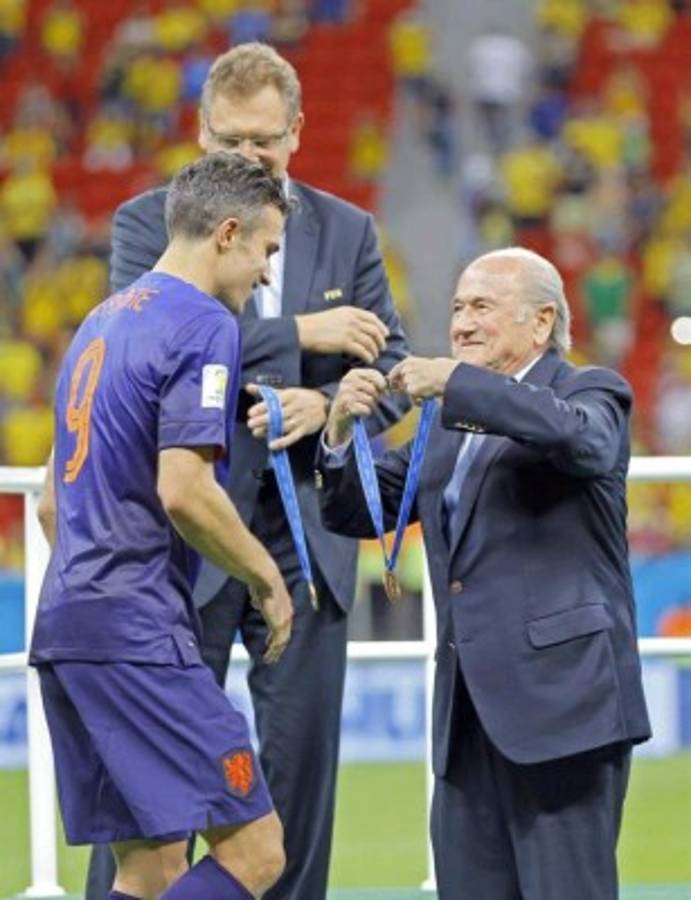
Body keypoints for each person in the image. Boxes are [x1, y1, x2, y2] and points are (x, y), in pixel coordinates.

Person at [89, 42, 409, 900]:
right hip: (187, 538)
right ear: (199, 133)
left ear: (297, 134)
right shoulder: (145, 222)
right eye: (226, 140)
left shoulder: (349, 230)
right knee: (148, 797)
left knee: (300, 794)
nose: (244, 158)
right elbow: (152, 344)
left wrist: (330, 406)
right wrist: (303, 337)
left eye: (262, 142)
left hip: (309, 545)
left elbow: (394, 366)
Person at [317, 247, 652, 900]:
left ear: (540, 320)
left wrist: (453, 383)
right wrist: (338, 433)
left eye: (481, 307)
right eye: (455, 309)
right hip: (466, 719)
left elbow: (580, 442)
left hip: (563, 711)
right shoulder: (447, 422)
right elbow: (362, 506)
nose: (462, 323)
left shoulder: (588, 390)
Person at [29, 151, 295, 900]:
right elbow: (182, 488)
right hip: (137, 634)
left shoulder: (100, 321)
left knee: (148, 871)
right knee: (257, 851)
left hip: (66, 626)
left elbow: (52, 503)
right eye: (267, 251)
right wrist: (264, 577)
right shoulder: (204, 321)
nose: (267, 273)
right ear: (229, 234)